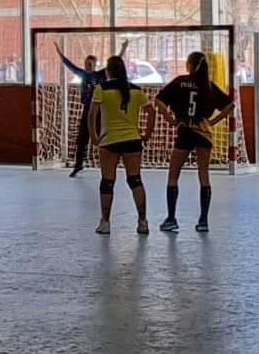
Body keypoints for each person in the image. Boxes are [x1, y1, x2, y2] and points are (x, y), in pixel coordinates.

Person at [154, 52, 234, 233]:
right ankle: (203, 220)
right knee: (204, 174)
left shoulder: (180, 82)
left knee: (173, 174)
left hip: (185, 131)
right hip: (204, 133)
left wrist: (170, 120)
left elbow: (158, 101)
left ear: (190, 65)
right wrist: (211, 122)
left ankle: (171, 218)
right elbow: (230, 106)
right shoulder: (209, 86)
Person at [88, 55, 156, 235]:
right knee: (135, 180)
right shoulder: (136, 90)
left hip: (109, 141)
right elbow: (151, 112)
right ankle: (143, 222)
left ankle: (105, 222)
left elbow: (91, 114)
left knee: (107, 182)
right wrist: (146, 135)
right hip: (132, 140)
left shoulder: (101, 88)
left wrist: (94, 137)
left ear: (108, 71)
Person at [55, 39, 129, 177]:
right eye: (86, 64)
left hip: (100, 111)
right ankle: (78, 165)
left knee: (104, 137)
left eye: (90, 65)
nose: (87, 66)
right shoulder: (82, 74)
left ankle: (109, 162)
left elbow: (115, 62)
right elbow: (69, 64)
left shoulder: (101, 74)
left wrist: (123, 48)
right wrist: (59, 52)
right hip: (87, 110)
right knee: (82, 138)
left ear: (95, 65)